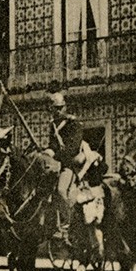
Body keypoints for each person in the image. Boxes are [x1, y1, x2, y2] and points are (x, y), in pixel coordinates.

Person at [47, 91, 83, 244]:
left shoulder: (74, 124)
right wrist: (47, 152)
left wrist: (57, 155)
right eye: (55, 109)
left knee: (61, 190)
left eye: (59, 108)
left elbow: (73, 148)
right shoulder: (53, 126)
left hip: (69, 165)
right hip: (57, 164)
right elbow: (52, 145)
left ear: (65, 108)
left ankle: (67, 224)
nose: (57, 111)